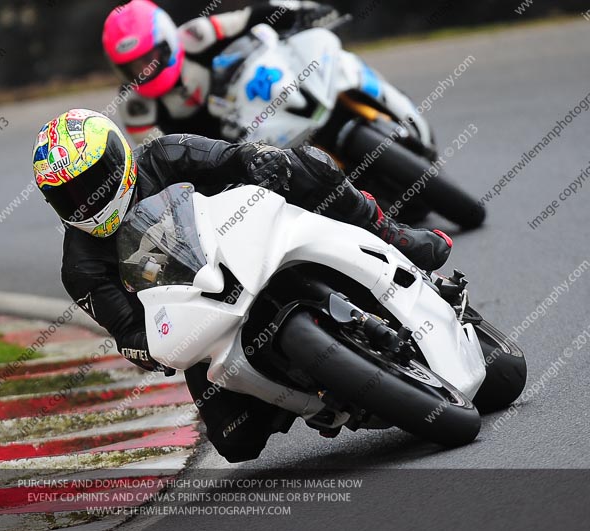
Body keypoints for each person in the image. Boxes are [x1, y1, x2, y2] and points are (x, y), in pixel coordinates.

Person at [32, 108, 452, 462]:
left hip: (244, 244)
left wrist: (258, 160)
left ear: (117, 156)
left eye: (93, 182)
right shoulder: (81, 267)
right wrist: (151, 348)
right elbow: (126, 331)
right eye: (70, 196)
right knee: (237, 441)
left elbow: (232, 157)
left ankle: (387, 231)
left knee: (302, 162)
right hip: (198, 316)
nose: (87, 201)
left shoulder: (162, 155)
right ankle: (302, 390)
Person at [102, 0, 338, 144]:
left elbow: (250, 17)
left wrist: (305, 12)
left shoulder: (197, 35)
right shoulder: (134, 106)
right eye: (133, 66)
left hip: (260, 113)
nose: (145, 70)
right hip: (224, 166)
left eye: (148, 59)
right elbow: (162, 155)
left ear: (167, 43)